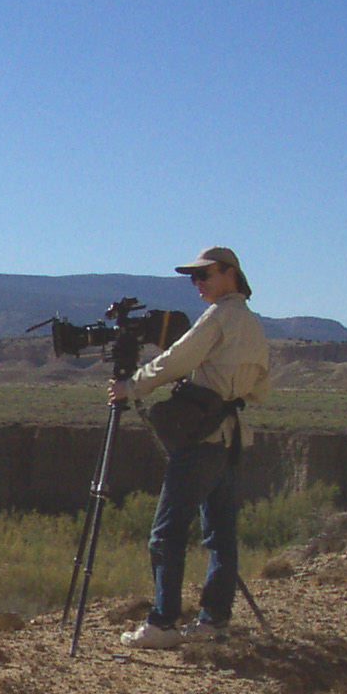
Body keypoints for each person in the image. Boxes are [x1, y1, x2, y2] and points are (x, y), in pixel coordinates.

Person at [107, 246, 272, 648]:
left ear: (229, 273)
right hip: (230, 439)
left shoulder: (219, 317)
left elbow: (178, 359)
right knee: (220, 535)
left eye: (204, 276)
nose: (197, 284)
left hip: (202, 441)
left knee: (166, 534)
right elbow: (261, 388)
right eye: (193, 278)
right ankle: (214, 619)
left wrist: (131, 386)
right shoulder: (251, 322)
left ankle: (162, 623)